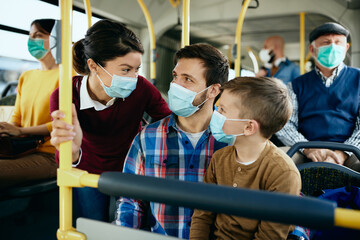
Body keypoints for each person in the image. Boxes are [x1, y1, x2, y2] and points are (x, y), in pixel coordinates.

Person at [50, 19, 171, 221]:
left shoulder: (141, 88)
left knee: (131, 227)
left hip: (131, 168)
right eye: (125, 70)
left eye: (136, 69)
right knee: (92, 224)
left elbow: (169, 123)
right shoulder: (65, 96)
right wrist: (72, 153)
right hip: (86, 168)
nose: (133, 77)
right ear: (94, 66)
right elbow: (66, 156)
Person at [115, 43, 229, 238]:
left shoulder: (234, 138)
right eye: (176, 76)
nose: (176, 85)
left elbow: (277, 194)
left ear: (213, 91)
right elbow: (130, 200)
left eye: (188, 79)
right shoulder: (147, 137)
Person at [190, 77, 301, 240]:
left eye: (222, 110)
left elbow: (270, 236)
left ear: (249, 127)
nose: (215, 113)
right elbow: (202, 215)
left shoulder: (283, 173)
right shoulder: (220, 158)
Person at [276, 22, 360, 172]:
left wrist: (342, 154)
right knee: (275, 162)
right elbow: (285, 124)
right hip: (305, 148)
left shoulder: (358, 79)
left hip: (350, 151)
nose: (333, 47)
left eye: (338, 42)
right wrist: (309, 149)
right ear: (312, 49)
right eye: (326, 43)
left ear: (346, 48)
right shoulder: (296, 86)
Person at [0, 19, 58, 189]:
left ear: (55, 39)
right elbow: (17, 117)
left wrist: (20, 131)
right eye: (30, 36)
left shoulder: (68, 75)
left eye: (38, 35)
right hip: (20, 149)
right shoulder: (27, 76)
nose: (32, 41)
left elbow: (63, 123)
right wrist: (7, 130)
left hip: (49, 155)